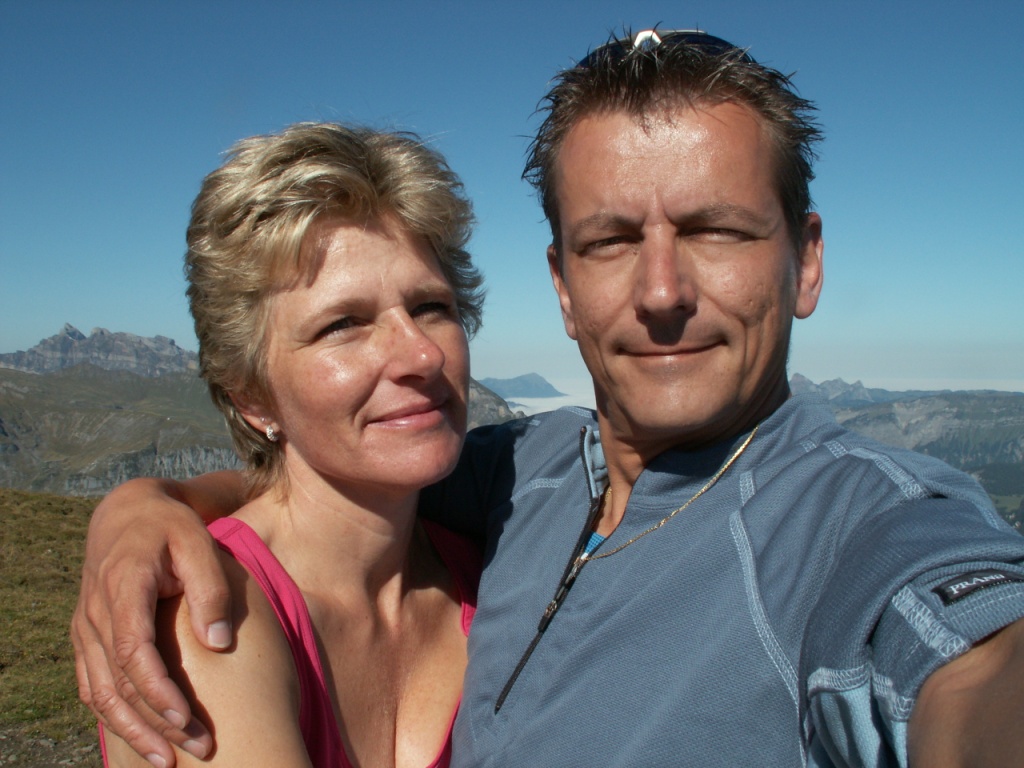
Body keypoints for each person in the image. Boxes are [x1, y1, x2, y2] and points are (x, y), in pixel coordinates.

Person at [74, 30, 1024, 767]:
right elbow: (310, 494)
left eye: (716, 229)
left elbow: (971, 663)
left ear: (806, 262)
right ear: (562, 286)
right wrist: (145, 508)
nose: (662, 291)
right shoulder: (511, 474)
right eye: (610, 241)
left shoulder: (862, 523)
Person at [95, 122, 484, 767]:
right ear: (252, 396)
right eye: (343, 324)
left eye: (431, 307)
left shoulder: (500, 570)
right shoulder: (211, 616)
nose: (421, 354)